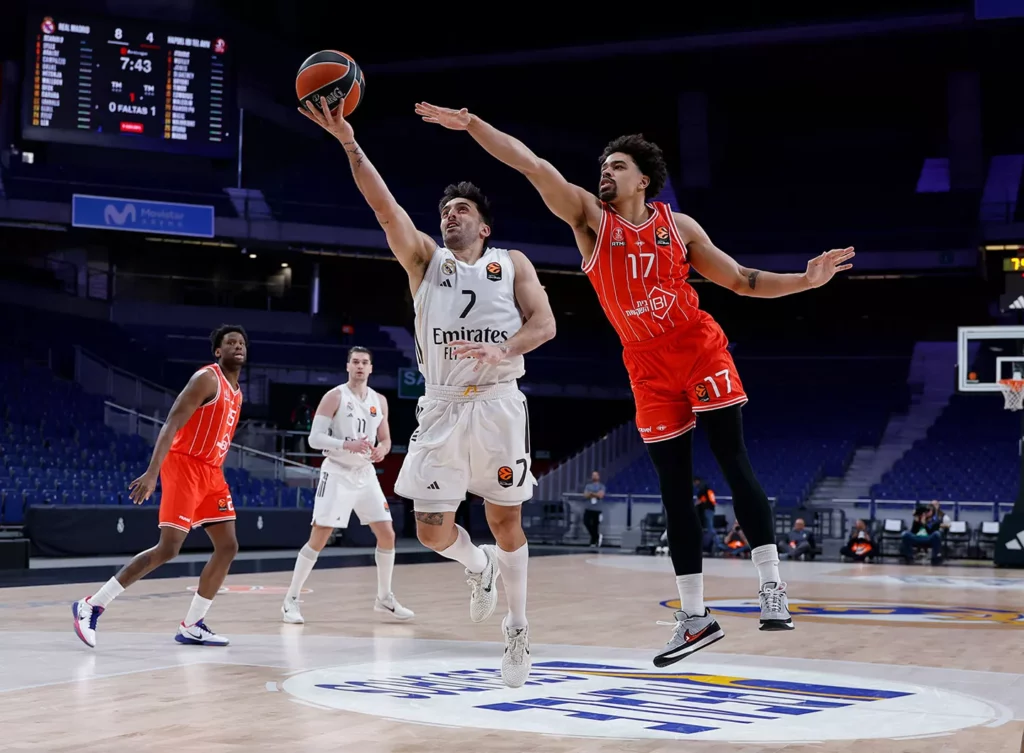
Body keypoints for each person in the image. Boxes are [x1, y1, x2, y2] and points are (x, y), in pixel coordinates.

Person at [415, 102, 854, 667]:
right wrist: (474, 126)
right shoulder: (590, 220)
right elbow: (532, 165)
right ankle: (695, 618)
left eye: (617, 165)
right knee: (674, 489)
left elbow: (742, 280)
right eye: (603, 164)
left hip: (697, 346)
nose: (606, 171)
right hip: (645, 363)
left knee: (732, 457)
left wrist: (806, 281)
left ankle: (772, 587)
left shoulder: (681, 228)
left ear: (643, 179)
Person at [299, 96, 557, 687]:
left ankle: (517, 630)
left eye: (462, 209)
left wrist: (504, 349)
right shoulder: (423, 261)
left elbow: (544, 325)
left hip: (497, 403)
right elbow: (384, 208)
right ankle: (478, 566)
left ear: (484, 225)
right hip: (441, 406)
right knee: (432, 531)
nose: (450, 216)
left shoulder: (511, 263)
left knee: (505, 519)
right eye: (445, 209)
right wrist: (348, 142)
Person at [72, 325, 248, 648]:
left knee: (228, 546)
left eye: (241, 343)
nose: (237, 346)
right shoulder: (207, 379)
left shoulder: (237, 393)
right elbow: (171, 424)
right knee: (169, 548)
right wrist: (153, 472)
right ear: (217, 352)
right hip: (184, 466)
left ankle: (193, 624)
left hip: (213, 473)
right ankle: (91, 605)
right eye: (230, 343)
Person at [282, 346, 413, 624]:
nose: (360, 367)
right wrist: (346, 444)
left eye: (365, 362)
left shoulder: (380, 400)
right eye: (355, 362)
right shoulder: (335, 396)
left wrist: (383, 450)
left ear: (371, 368)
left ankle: (384, 597)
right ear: (348, 366)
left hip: (365, 473)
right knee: (320, 536)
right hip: (338, 472)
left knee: (387, 534)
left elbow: (386, 439)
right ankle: (291, 599)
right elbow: (314, 439)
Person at [582, 470, 605, 547]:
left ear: (598, 476)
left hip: (597, 509)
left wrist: (591, 494)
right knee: (586, 522)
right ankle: (596, 536)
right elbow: (586, 495)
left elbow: (601, 495)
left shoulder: (602, 486)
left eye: (596, 475)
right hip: (588, 508)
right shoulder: (588, 486)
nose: (594, 477)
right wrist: (595, 494)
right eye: (593, 475)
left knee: (595, 525)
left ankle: (593, 541)